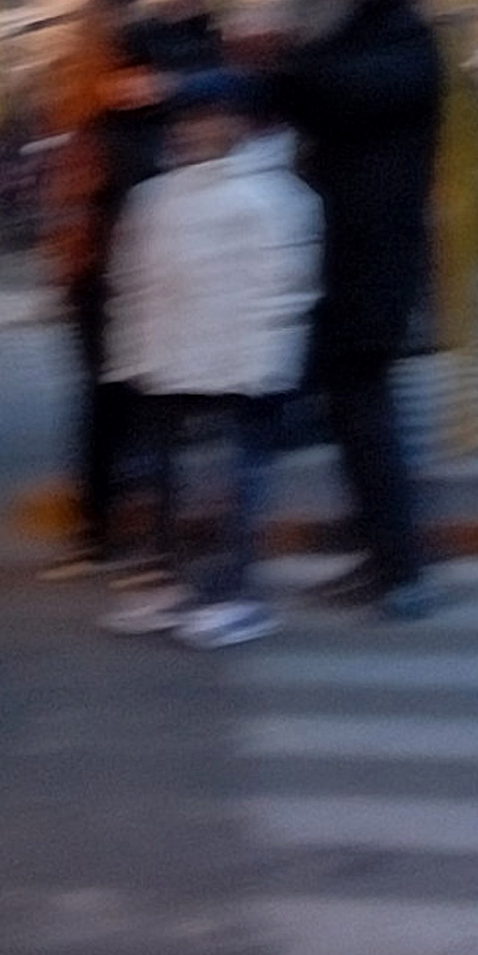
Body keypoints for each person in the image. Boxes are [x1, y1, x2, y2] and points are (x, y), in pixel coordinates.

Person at [263, 0, 445, 616]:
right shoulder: (355, 28)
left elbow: (346, 91)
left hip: (377, 254)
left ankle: (402, 569)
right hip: (337, 252)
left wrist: (286, 61)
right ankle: (380, 555)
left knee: (368, 412)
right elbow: (307, 93)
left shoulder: (407, 36)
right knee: (349, 413)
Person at [98, 73, 323, 649]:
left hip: (239, 365)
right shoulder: (155, 197)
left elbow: (286, 291)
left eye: (208, 118)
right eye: (187, 120)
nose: (195, 130)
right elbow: (135, 283)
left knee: (236, 482)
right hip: (170, 362)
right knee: (167, 478)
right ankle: (171, 582)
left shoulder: (275, 198)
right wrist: (133, 355)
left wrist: (264, 363)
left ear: (238, 123)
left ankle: (235, 594)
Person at [40, 0, 221, 580]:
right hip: (107, 260)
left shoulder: (96, 70)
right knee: (121, 393)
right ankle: (114, 531)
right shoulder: (106, 75)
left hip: (99, 257)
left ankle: (109, 528)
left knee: (116, 395)